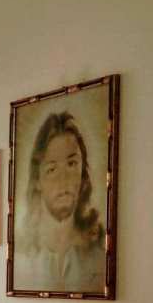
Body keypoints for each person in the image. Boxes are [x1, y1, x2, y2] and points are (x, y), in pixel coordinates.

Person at [14, 111, 106, 293]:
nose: (63, 180)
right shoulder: (21, 257)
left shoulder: (100, 252)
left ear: (83, 176)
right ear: (37, 180)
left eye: (72, 164)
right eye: (52, 169)